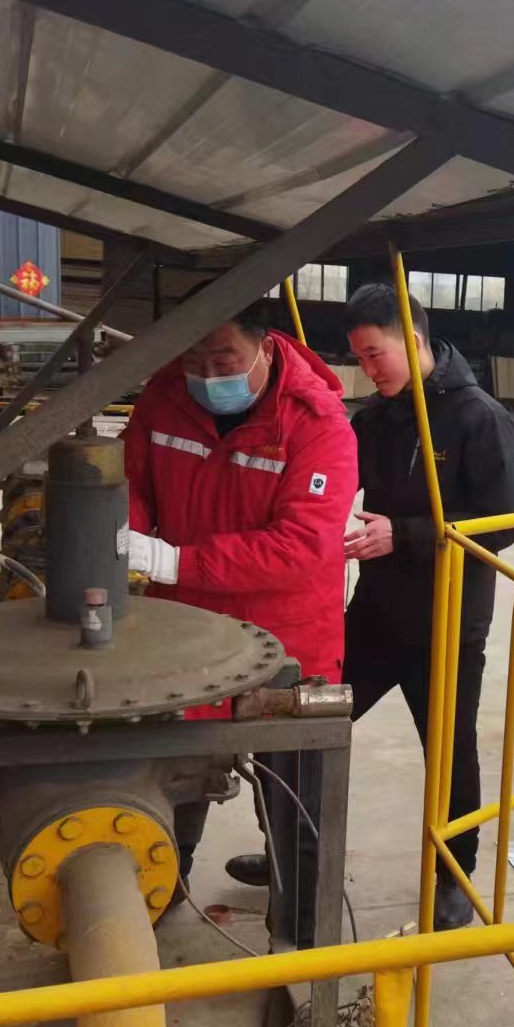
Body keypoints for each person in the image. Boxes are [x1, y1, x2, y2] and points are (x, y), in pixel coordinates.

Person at [124, 297, 357, 946]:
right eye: (194, 359)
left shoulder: (318, 423)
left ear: (266, 346)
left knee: (295, 804)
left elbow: (301, 545)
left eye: (223, 360)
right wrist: (127, 537)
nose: (206, 374)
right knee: (172, 783)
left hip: (288, 644)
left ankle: (301, 943)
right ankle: (155, 893)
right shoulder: (163, 397)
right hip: (186, 634)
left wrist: (172, 561)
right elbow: (131, 481)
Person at [341, 283, 514, 930]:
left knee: (449, 753)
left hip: (448, 621)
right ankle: (298, 849)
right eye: (359, 359)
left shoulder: (479, 418)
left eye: (375, 354)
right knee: (310, 727)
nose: (368, 369)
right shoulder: (373, 419)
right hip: (374, 613)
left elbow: (503, 524)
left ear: (413, 340)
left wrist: (406, 533)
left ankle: (455, 874)